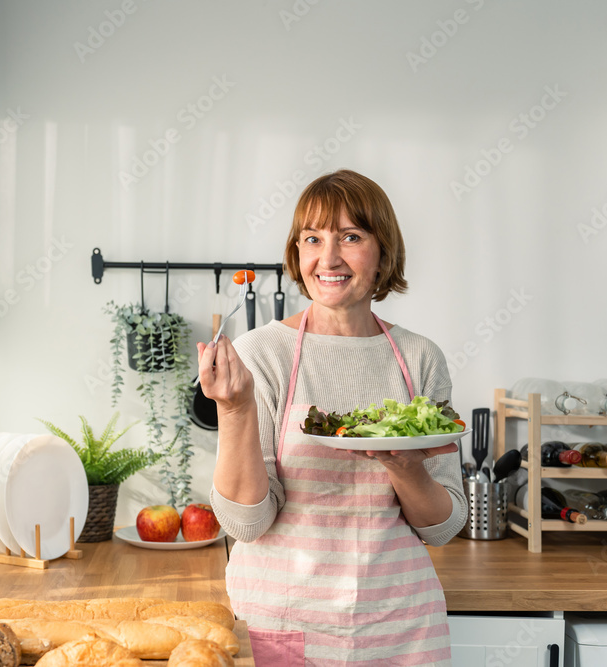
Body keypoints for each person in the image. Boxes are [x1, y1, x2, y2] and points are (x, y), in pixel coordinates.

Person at [197, 169, 467, 666]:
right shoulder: (264, 352)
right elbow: (245, 522)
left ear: (383, 250)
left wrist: (405, 467)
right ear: (297, 253)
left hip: (401, 622)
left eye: (351, 237)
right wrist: (235, 410)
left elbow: (443, 526)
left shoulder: (420, 358)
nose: (329, 258)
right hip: (282, 619)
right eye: (313, 238)